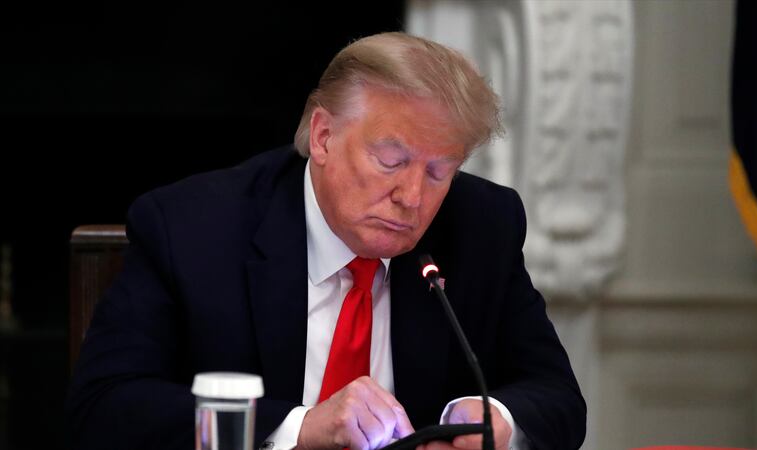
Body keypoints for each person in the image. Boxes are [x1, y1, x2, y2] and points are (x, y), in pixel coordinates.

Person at [66, 32, 586, 450]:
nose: (412, 196)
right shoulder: (195, 228)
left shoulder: (480, 225)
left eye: (439, 171)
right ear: (323, 137)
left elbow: (557, 398)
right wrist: (299, 428)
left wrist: (493, 418)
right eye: (391, 161)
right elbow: (104, 409)